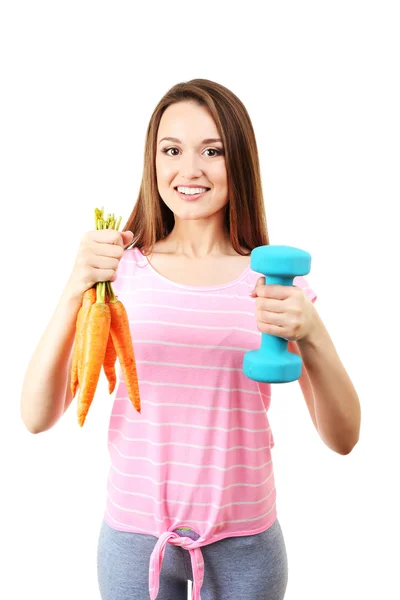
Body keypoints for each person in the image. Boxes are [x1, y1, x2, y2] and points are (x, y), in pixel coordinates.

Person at [20, 79, 361, 600]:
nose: (190, 169)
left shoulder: (273, 284)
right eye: (172, 150)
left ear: (239, 162)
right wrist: (75, 285)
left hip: (246, 544)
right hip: (136, 541)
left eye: (213, 150)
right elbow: (37, 416)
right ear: (152, 162)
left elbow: (344, 438)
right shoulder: (119, 274)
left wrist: (313, 335)